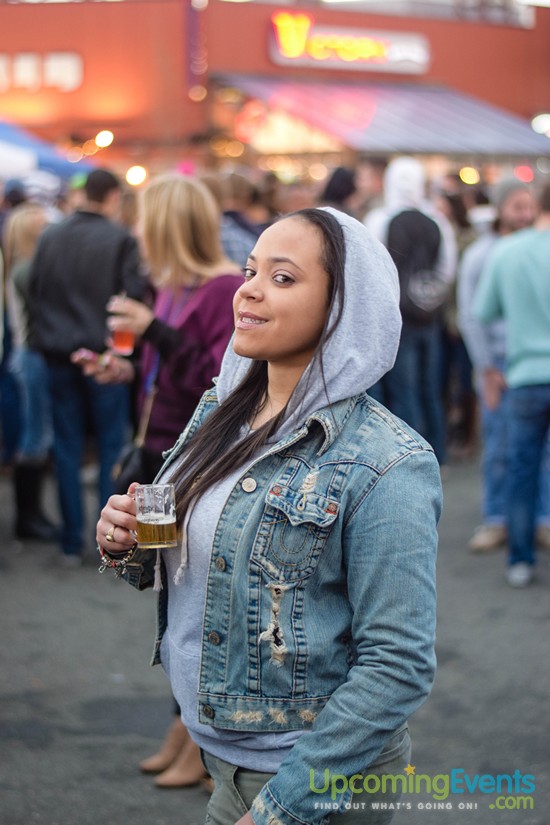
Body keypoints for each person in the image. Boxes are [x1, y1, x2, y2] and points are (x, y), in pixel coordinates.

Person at [96, 207, 441, 824]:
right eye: (251, 270)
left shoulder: (389, 462)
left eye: (283, 278)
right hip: (223, 759)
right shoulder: (222, 408)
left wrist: (284, 805)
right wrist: (124, 542)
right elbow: (183, 556)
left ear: (343, 306)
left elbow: (398, 665)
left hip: (314, 779)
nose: (248, 288)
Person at [78, 173, 243, 788]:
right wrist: (119, 368)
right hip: (160, 460)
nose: (137, 232)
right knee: (167, 593)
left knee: (191, 591)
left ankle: (200, 734)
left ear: (171, 226)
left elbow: (220, 382)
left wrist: (154, 333)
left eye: (146, 221)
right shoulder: (169, 290)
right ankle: (188, 725)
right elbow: (165, 375)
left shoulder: (224, 288)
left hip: (195, 462)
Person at [27, 168, 144, 566]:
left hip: (59, 353)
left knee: (67, 446)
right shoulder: (120, 238)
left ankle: (70, 542)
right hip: (104, 357)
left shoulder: (51, 234)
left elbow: (35, 291)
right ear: (111, 196)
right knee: (111, 445)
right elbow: (134, 300)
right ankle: (109, 541)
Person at [457, 177, 550, 552]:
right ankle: (498, 519)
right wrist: (486, 367)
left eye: (529, 205)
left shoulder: (528, 248)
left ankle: (537, 521)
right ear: (500, 208)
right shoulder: (483, 254)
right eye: (517, 206)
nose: (525, 213)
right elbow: (471, 315)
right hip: (497, 361)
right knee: (498, 446)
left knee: (535, 451)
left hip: (524, 362)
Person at [365, 156, 457, 466]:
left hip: (395, 317)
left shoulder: (380, 219)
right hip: (429, 317)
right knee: (430, 386)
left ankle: (411, 461)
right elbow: (446, 270)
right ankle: (438, 454)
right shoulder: (437, 221)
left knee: (403, 389)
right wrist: (428, 299)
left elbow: (370, 268)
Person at [3, 202, 58, 540]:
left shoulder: (20, 267)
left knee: (36, 433)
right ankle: (28, 518)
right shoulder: (27, 270)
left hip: (28, 354)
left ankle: (31, 515)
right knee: (35, 435)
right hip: (33, 356)